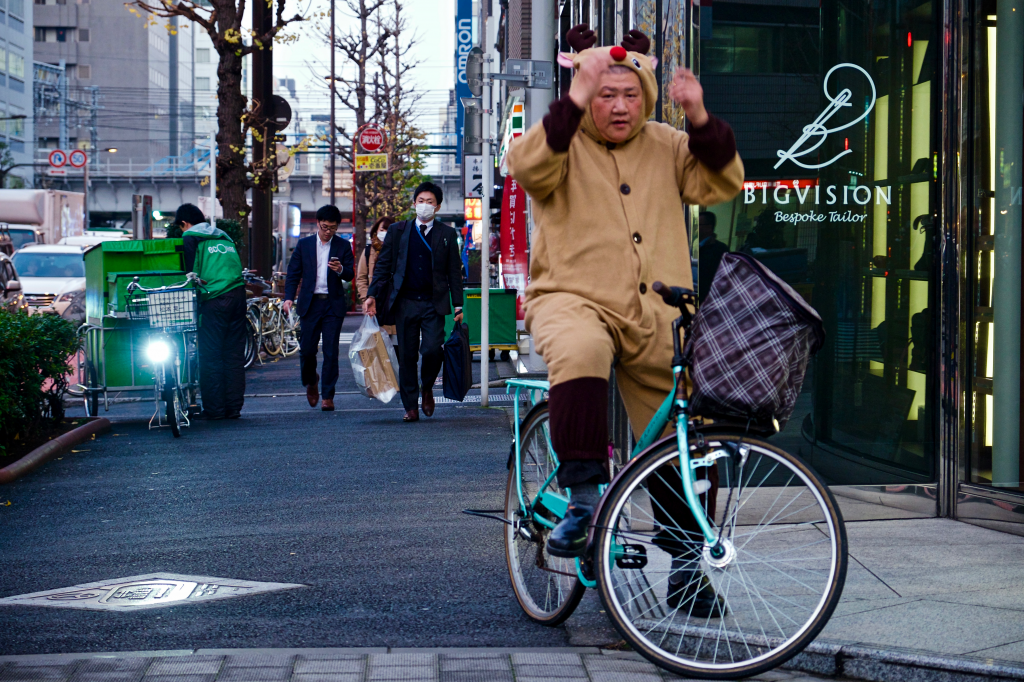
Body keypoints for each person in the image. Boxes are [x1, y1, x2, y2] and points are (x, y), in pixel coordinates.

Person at [506, 28, 743, 615]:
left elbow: (724, 182)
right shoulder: (561, 142)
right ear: (586, 94)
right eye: (605, 94)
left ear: (648, 97)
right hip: (571, 297)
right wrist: (570, 103)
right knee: (583, 350)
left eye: (630, 94)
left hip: (655, 309)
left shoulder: (666, 143)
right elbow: (526, 166)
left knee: (681, 429)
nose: (618, 106)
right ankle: (583, 501)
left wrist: (699, 115)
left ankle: (689, 565)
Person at [364, 182, 464, 422]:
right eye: (421, 201)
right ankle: (410, 406)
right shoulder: (399, 231)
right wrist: (371, 295)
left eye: (430, 202)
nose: (425, 206)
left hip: (433, 303)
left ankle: (427, 386)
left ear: (438, 207)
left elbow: (453, 272)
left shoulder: (447, 234)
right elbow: (383, 267)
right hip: (405, 302)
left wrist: (458, 304)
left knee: (431, 349)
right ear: (414, 203)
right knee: (407, 355)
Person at [177, 203, 246, 420]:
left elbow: (189, 274)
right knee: (233, 355)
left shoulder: (190, 237)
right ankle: (233, 408)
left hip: (214, 299)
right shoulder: (223, 236)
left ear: (184, 223)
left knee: (211, 355)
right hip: (238, 296)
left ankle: (215, 410)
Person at [283, 205, 355, 412]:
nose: (328, 231)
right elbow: (293, 273)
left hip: (333, 304)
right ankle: (311, 380)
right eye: (325, 227)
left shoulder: (342, 246)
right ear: (318, 223)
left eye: (332, 228)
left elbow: (350, 273)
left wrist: (341, 269)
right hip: (310, 303)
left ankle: (328, 395)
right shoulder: (304, 245)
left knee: (331, 351)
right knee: (307, 350)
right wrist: (289, 298)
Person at [355, 215, 397, 340]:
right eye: (382, 230)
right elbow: (361, 278)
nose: (384, 233)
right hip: (374, 306)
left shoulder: (400, 251)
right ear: (376, 232)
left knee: (397, 350)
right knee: (377, 351)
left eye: (388, 230)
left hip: (395, 307)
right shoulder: (369, 251)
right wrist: (365, 298)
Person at [696, 211, 729, 303]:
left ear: (708, 228)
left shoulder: (720, 249)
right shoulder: (690, 246)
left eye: (698, 224)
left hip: (706, 299)